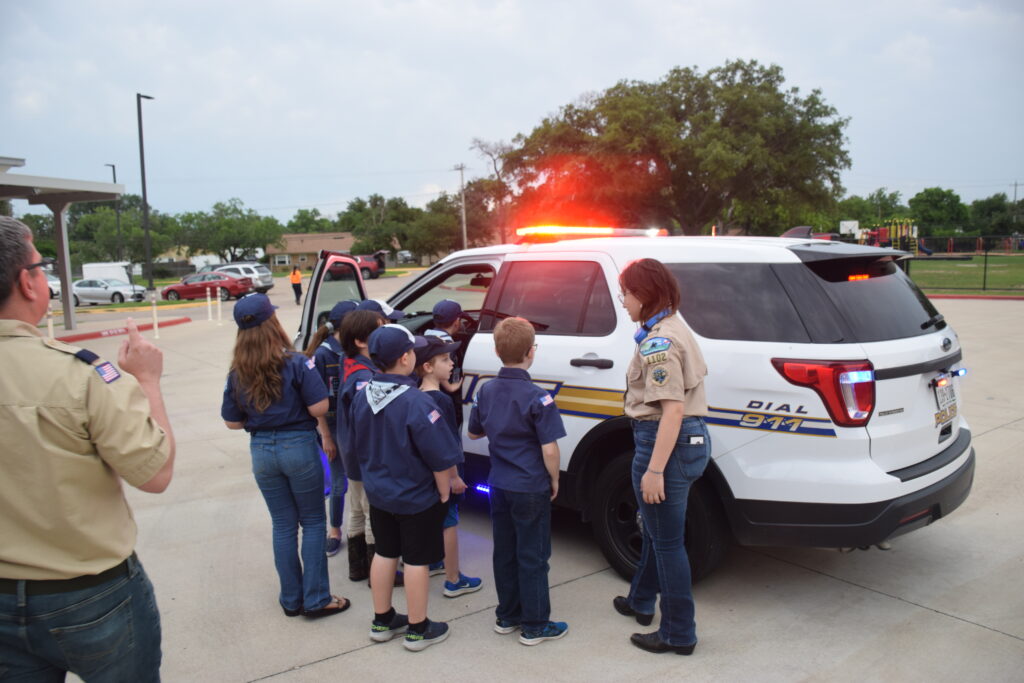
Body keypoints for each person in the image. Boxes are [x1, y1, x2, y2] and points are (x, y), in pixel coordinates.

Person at [0, 216, 175, 681]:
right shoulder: (79, 375)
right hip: (91, 594)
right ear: (26, 281)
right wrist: (148, 382)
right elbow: (154, 473)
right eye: (41, 265)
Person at [221, 293, 350, 619]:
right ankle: (317, 598)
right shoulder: (295, 362)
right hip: (298, 446)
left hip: (262, 451)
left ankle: (291, 599)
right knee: (312, 521)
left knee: (282, 525)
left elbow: (232, 422)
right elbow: (319, 407)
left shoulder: (238, 372)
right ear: (272, 323)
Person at [612, 257, 709, 655]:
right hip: (686, 441)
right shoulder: (672, 325)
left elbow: (671, 410)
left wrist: (654, 470)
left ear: (644, 294)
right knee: (655, 530)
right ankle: (640, 600)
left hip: (663, 443)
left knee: (668, 543)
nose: (623, 301)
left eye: (626, 294)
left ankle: (678, 633)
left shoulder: (659, 342)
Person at [345, 325, 463, 651]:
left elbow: (355, 445)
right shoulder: (417, 402)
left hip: (379, 493)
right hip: (415, 496)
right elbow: (439, 456)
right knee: (416, 560)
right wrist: (444, 488)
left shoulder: (360, 396)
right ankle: (417, 627)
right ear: (406, 357)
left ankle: (382, 620)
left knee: (385, 552)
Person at [467, 317, 568, 646]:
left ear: (497, 351)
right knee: (534, 555)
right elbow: (549, 448)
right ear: (531, 352)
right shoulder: (538, 397)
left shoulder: (487, 390)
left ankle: (507, 615)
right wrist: (553, 479)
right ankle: (536, 624)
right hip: (530, 486)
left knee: (505, 551)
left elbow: (474, 431)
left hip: (499, 484)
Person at [414, 335, 482, 598]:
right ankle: (454, 579)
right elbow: (446, 444)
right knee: (450, 521)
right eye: (444, 359)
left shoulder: (416, 395)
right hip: (447, 471)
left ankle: (433, 562)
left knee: (433, 518)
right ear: (428, 367)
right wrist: (454, 476)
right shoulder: (441, 401)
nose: (452, 363)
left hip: (425, 473)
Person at [304, 300, 359, 557]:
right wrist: (326, 435)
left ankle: (358, 529)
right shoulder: (324, 354)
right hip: (334, 426)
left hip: (355, 424)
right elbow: (315, 401)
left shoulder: (354, 348)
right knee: (339, 481)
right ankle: (335, 530)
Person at [336, 308, 386, 582]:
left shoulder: (351, 363)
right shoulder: (363, 377)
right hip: (363, 456)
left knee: (356, 508)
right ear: (360, 340)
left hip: (350, 453)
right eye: (378, 329)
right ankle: (376, 572)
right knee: (371, 513)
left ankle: (356, 568)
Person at [424, 299, 466, 425]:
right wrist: (450, 386)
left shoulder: (425, 336)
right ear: (456, 322)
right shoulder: (447, 345)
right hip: (441, 394)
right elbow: (438, 367)